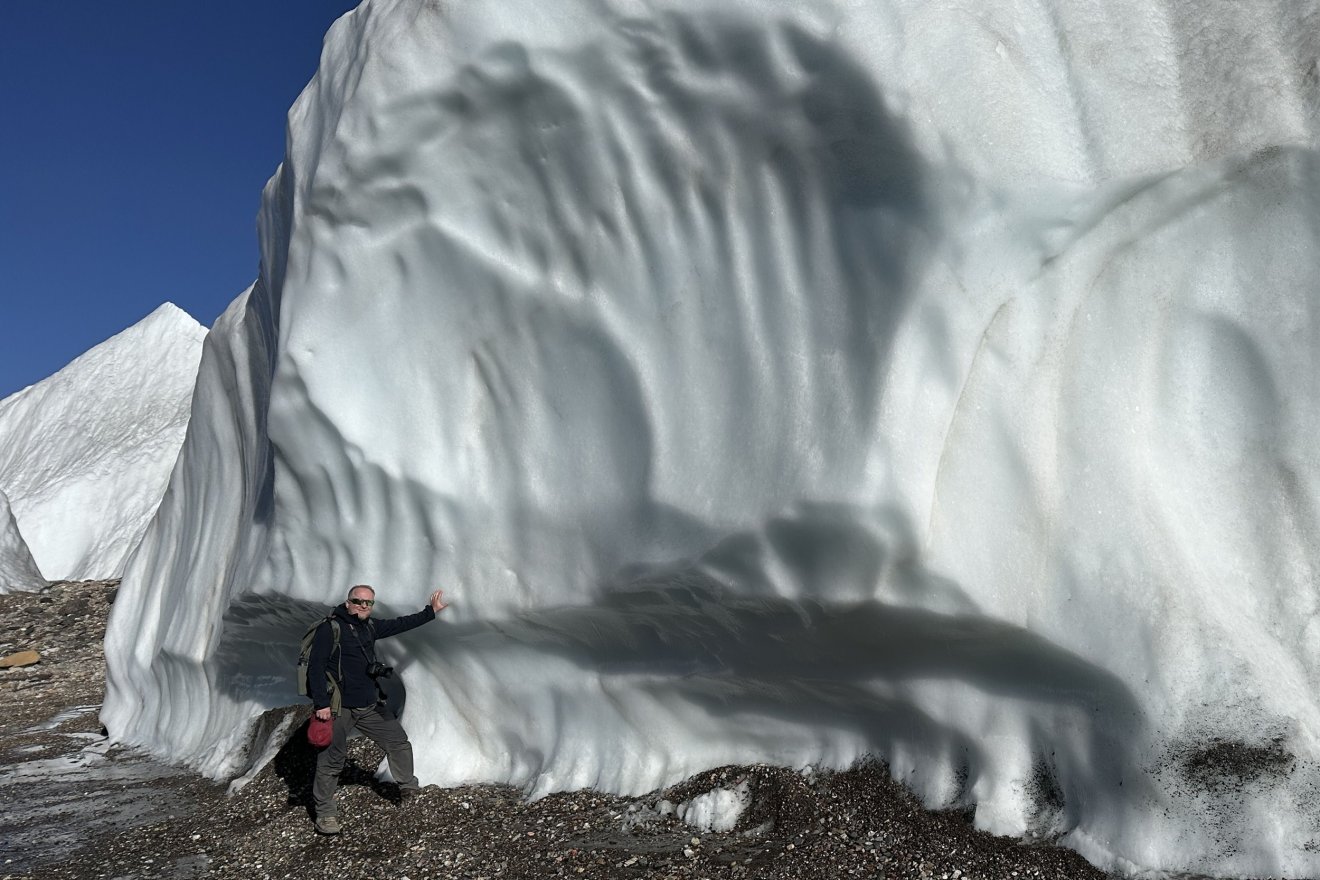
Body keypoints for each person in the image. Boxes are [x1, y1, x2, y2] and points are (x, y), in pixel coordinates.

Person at [307, 583, 449, 835]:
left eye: (368, 602)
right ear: (348, 601)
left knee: (398, 742)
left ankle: (408, 788)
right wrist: (321, 705)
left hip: (368, 705)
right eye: (358, 600)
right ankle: (326, 814)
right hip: (338, 707)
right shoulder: (330, 629)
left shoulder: (369, 626)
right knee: (331, 760)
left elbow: (399, 624)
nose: (363, 605)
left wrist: (431, 612)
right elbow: (315, 667)